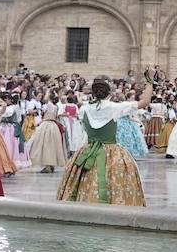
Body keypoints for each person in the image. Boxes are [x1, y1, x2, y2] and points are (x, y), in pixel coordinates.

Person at [57, 78, 152, 206]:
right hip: (112, 152)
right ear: (109, 93)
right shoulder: (114, 107)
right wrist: (150, 81)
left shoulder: (85, 108)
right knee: (114, 180)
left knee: (86, 179)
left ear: (93, 93)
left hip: (88, 151)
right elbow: (145, 102)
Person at [27, 101, 69, 173]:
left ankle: (48, 166)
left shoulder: (48, 105)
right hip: (54, 126)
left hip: (46, 126)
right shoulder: (56, 107)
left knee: (46, 146)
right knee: (52, 146)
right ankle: (51, 165)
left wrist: (38, 123)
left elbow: (47, 117)